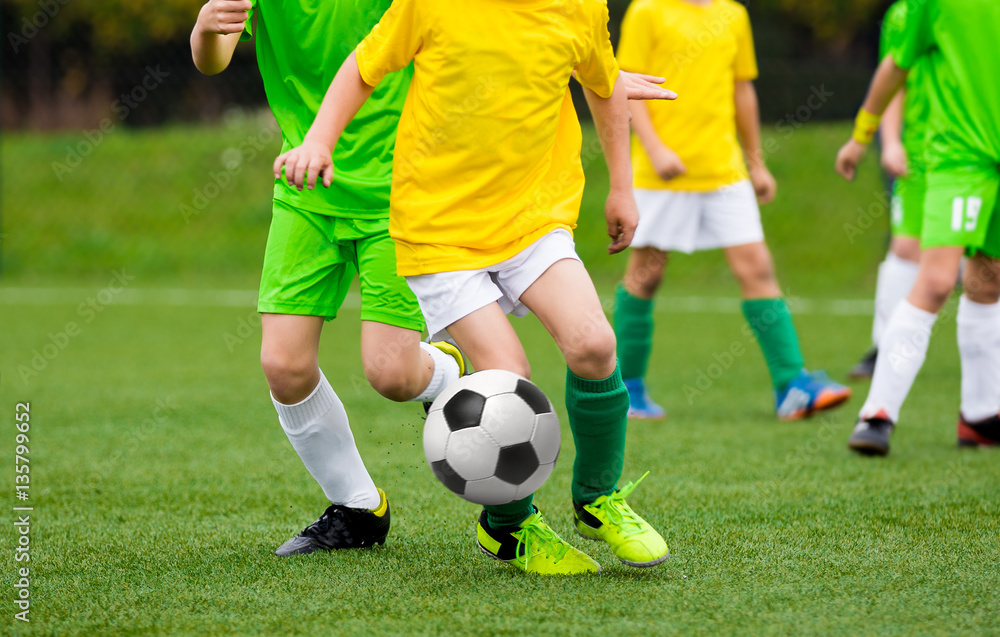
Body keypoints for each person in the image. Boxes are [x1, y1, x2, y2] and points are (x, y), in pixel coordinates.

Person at [276, 0, 670, 575]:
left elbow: (604, 85)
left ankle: (597, 499)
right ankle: (510, 529)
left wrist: (622, 188)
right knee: (509, 376)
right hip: (438, 230)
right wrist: (319, 140)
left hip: (533, 217)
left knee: (594, 345)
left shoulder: (581, 8)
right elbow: (363, 67)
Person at [191, 0, 469, 556]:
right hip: (306, 187)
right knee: (284, 366)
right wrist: (204, 29)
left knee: (391, 374)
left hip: (401, 190)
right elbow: (213, 61)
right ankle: (358, 508)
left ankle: (443, 372)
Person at [611, 0, 852, 421]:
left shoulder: (733, 14)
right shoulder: (647, 10)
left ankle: (791, 385)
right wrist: (654, 147)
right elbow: (624, 86)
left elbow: (742, 89)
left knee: (757, 268)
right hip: (660, 173)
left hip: (725, 171)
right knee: (646, 277)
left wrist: (756, 163)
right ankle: (626, 390)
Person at [836, 0, 1000, 455]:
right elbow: (896, 66)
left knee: (990, 282)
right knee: (936, 280)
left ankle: (981, 416)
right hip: (961, 158)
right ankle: (877, 414)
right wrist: (863, 135)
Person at [848, 0, 926, 380]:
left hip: (984, 150)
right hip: (927, 155)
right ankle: (885, 346)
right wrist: (890, 140)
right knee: (906, 247)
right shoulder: (906, 13)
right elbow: (894, 79)